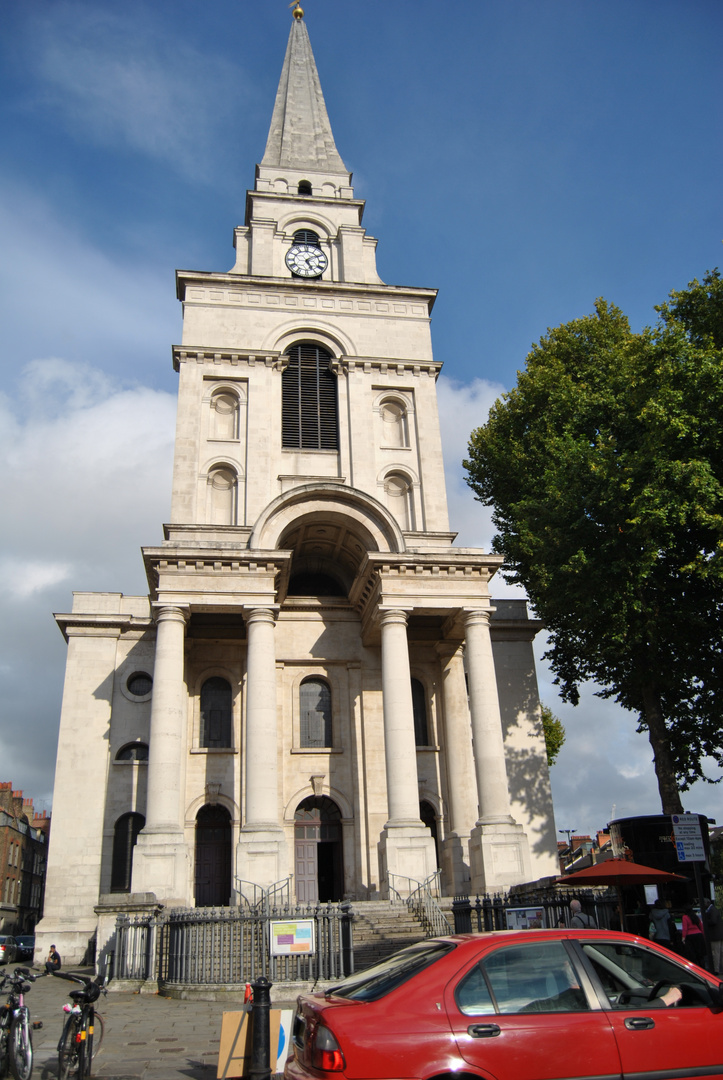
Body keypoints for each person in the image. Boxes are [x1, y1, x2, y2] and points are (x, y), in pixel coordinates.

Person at [703, 898, 723, 975]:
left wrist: (705, 921)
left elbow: (713, 921)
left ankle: (716, 969)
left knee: (716, 953)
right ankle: (718, 968)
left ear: (707, 903)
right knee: (719, 952)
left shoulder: (712, 910)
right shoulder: (713, 910)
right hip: (718, 934)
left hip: (715, 935)